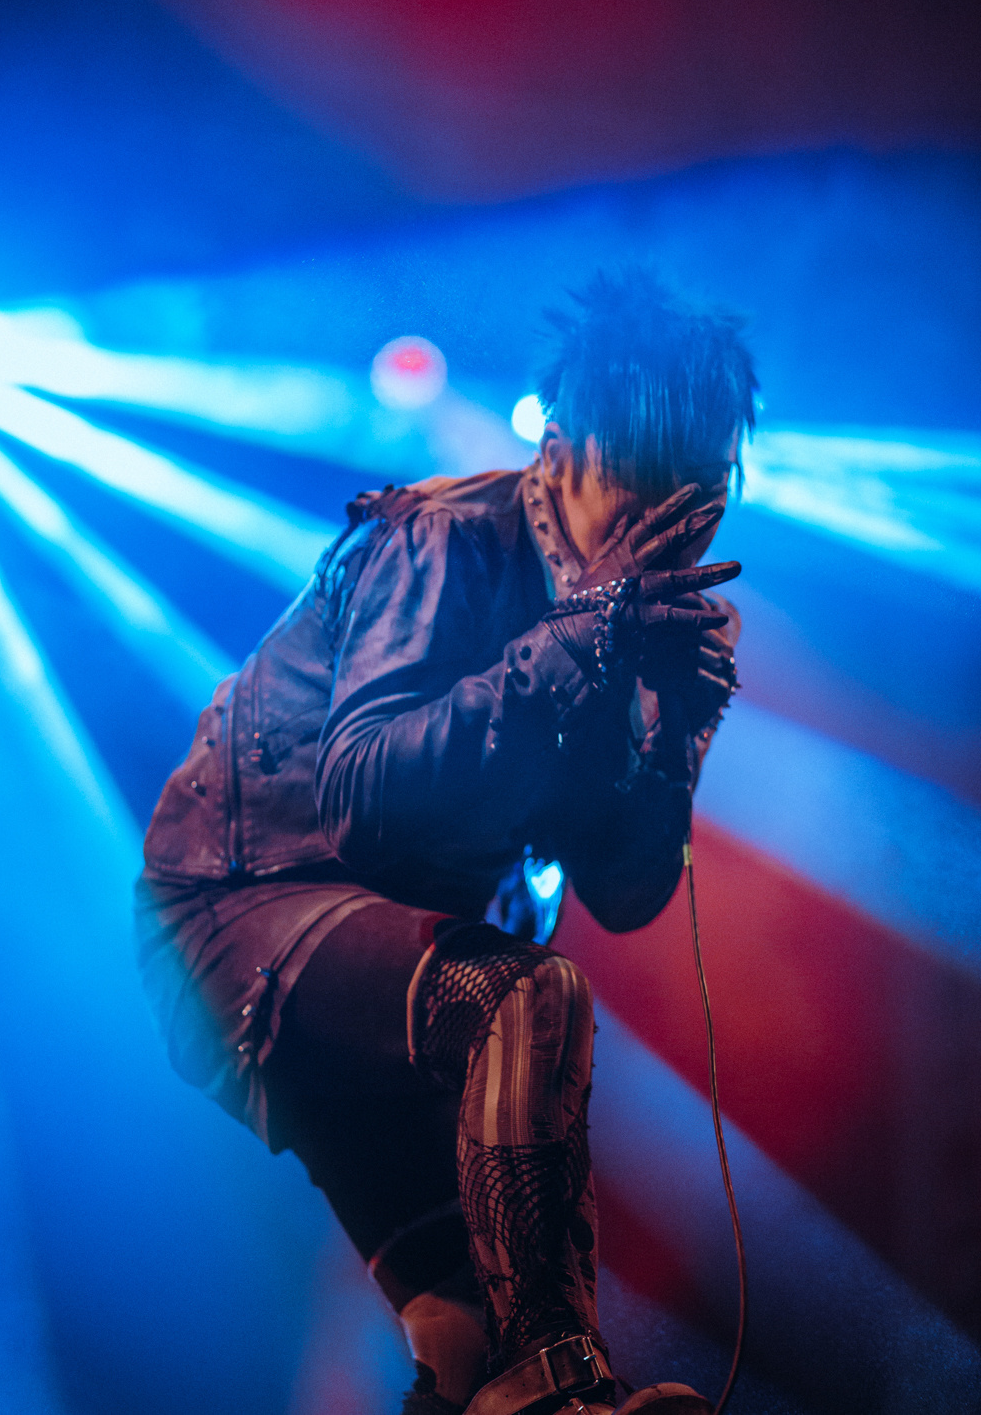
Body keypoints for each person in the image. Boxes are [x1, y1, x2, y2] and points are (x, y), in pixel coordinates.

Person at [136, 267, 756, 1415]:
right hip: (245, 906)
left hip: (391, 961)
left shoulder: (626, 612)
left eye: (701, 495)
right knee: (527, 998)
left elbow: (620, 893)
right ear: (560, 452)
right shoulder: (441, 541)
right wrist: (577, 644)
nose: (670, 530)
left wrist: (673, 738)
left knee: (457, 1340)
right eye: (643, 491)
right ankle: (562, 1380)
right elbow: (362, 802)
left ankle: (503, 1378)